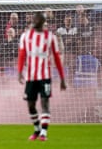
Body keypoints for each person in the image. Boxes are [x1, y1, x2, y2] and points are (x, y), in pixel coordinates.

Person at [17, 12, 66, 141]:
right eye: (35, 19)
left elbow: (56, 57)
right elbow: (22, 55)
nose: (37, 21)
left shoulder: (50, 37)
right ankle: (37, 129)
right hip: (31, 77)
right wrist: (19, 72)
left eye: (39, 19)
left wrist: (62, 78)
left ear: (43, 21)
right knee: (31, 105)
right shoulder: (25, 37)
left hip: (45, 76)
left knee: (45, 102)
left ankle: (44, 133)